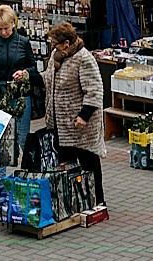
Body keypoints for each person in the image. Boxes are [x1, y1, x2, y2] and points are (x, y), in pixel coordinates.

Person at [39, 22, 106, 208]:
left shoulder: (84, 59)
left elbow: (94, 90)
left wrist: (84, 116)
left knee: (89, 163)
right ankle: (71, 203)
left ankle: (97, 201)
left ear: (66, 43)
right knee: (66, 165)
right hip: (61, 124)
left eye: (55, 43)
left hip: (81, 126)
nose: (53, 46)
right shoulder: (56, 56)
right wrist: (30, 76)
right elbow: (48, 78)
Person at [0, 5, 43, 168]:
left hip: (21, 95)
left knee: (23, 136)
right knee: (1, 138)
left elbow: (33, 67)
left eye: (6, 28)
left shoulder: (23, 42)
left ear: (13, 24)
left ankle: (29, 171)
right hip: (0, 96)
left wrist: (24, 72)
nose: (3, 32)